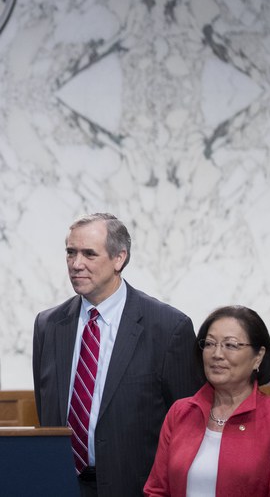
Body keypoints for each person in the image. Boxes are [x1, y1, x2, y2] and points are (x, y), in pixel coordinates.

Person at [32, 213, 202, 497]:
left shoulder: (167, 327)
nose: (76, 264)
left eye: (89, 254)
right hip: (60, 485)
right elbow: (45, 407)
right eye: (70, 253)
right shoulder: (48, 325)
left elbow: (189, 428)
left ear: (119, 258)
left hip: (136, 488)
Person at [144, 305, 270, 496]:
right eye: (210, 344)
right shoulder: (180, 412)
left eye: (230, 345)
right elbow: (156, 490)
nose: (217, 354)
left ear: (258, 357)